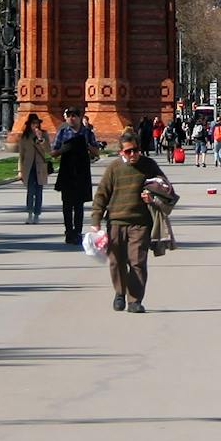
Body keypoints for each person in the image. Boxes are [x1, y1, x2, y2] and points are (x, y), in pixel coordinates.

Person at [90, 129, 169, 312]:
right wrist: (96, 219)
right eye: (128, 151)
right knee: (116, 261)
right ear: (121, 152)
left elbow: (164, 186)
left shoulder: (148, 165)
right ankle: (119, 293)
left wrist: (153, 197)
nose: (133, 154)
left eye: (135, 150)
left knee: (137, 262)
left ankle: (135, 300)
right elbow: (102, 194)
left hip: (140, 223)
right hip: (116, 222)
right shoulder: (114, 168)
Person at [53, 107, 98, 244]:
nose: (72, 118)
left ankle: (77, 232)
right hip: (67, 172)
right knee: (67, 205)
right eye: (69, 116)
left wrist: (87, 145)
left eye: (74, 116)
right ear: (66, 118)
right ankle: (68, 231)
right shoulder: (62, 132)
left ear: (79, 117)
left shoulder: (87, 132)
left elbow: (96, 152)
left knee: (79, 205)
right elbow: (53, 153)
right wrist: (63, 149)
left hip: (81, 172)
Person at [17, 112, 52, 224]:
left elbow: (48, 150)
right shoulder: (24, 137)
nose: (35, 126)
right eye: (33, 124)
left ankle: (37, 214)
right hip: (28, 167)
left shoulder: (44, 134)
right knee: (30, 191)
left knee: (39, 192)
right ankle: (29, 213)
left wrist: (40, 138)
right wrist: (20, 171)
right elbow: (21, 155)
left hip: (40, 166)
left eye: (37, 123)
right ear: (29, 125)